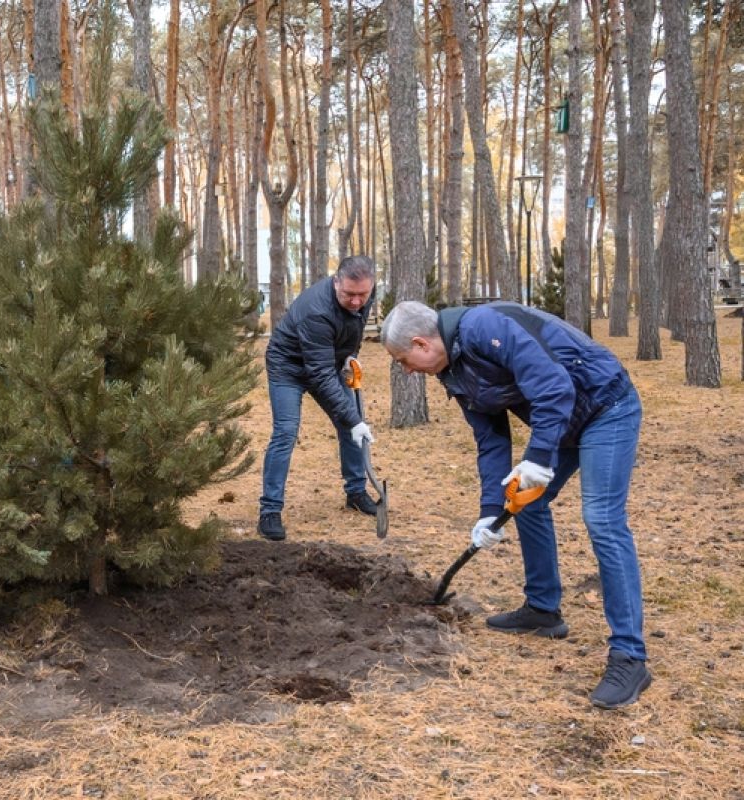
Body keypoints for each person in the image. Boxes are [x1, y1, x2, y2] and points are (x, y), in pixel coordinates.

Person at [380, 299, 650, 709]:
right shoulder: (453, 371)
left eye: (404, 360)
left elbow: (554, 387)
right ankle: (543, 610)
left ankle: (630, 655)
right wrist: (491, 509)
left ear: (420, 343)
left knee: (602, 519)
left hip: (605, 408)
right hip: (563, 421)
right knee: (527, 503)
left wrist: (539, 459)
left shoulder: (486, 328)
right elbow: (490, 439)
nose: (406, 370)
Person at [258, 256, 379, 542]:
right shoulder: (317, 312)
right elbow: (321, 375)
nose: (356, 301)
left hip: (327, 361)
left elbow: (354, 330)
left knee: (350, 427)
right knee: (286, 432)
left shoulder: (364, 296)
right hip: (288, 366)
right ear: (336, 282)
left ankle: (356, 491)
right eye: (349, 294)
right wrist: (353, 418)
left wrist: (351, 357)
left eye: (363, 294)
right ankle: (269, 511)